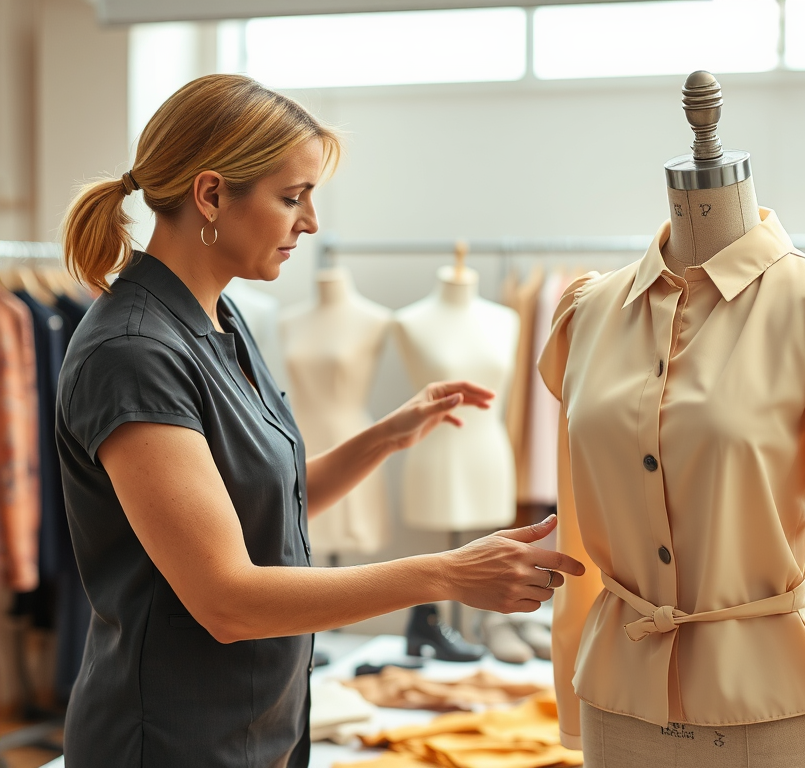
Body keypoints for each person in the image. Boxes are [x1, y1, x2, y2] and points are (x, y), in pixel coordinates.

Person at [56, 73, 584, 768]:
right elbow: (226, 598)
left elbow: (258, 504)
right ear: (211, 194)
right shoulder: (134, 354)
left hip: (258, 728)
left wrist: (385, 437)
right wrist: (446, 575)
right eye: (292, 198)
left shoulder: (219, 317)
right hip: (171, 741)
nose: (309, 224)